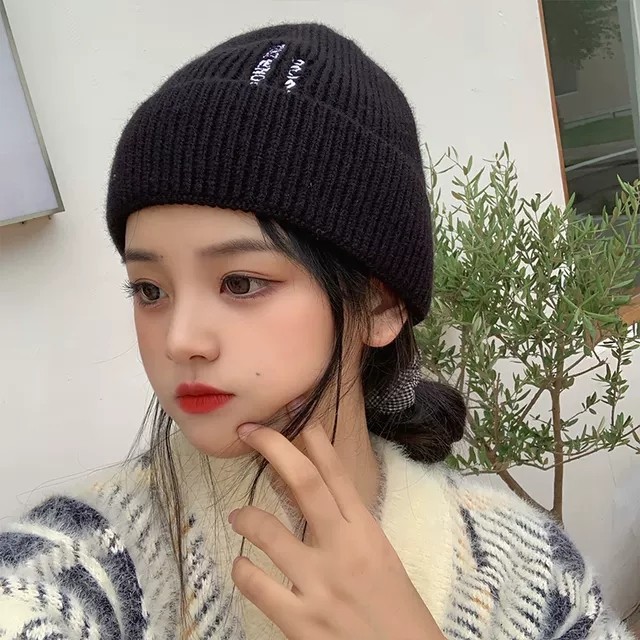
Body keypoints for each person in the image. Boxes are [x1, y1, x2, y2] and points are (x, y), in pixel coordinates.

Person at [0, 22, 631, 640]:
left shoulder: (532, 574)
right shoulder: (77, 570)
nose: (180, 340)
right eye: (149, 290)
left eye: (240, 282)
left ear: (380, 305)